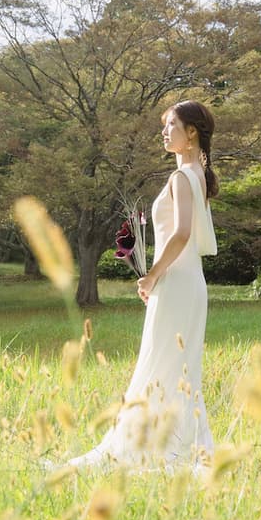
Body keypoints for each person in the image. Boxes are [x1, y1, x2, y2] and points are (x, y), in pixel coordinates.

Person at [67, 100, 218, 470]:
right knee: (178, 369)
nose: (165, 132)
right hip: (191, 284)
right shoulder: (197, 172)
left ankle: (152, 448)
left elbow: (181, 233)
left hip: (176, 282)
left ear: (192, 132)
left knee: (159, 364)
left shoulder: (182, 177)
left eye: (171, 125)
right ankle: (177, 445)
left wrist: (152, 275)